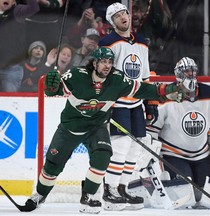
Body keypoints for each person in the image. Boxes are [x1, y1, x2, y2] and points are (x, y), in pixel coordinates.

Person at [24, 47, 184, 214]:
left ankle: (88, 196)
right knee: (53, 165)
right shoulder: (77, 75)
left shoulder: (117, 80)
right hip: (71, 127)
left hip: (96, 126)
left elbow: (142, 90)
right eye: (103, 62)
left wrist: (165, 91)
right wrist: (52, 86)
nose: (107, 66)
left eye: (110, 62)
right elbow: (54, 91)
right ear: (94, 63)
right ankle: (40, 195)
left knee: (102, 156)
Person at [145, 57, 210, 209]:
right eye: (187, 72)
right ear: (179, 75)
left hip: (202, 155)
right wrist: (150, 157)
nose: (191, 75)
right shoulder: (166, 97)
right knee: (185, 197)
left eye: (193, 72)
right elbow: (152, 133)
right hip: (173, 156)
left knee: (209, 198)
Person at [98, 2, 158, 211]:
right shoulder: (107, 43)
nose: (123, 17)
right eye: (117, 16)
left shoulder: (142, 43)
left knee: (136, 147)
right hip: (118, 104)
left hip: (137, 104)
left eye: (125, 13)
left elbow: (145, 74)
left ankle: (122, 189)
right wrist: (104, 103)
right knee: (121, 146)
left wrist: (150, 103)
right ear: (112, 22)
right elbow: (101, 74)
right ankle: (110, 191)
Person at [0, 0, 39, 92]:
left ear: (13, 2)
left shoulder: (17, 12)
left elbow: (34, 8)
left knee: (11, 103)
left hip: (12, 68)